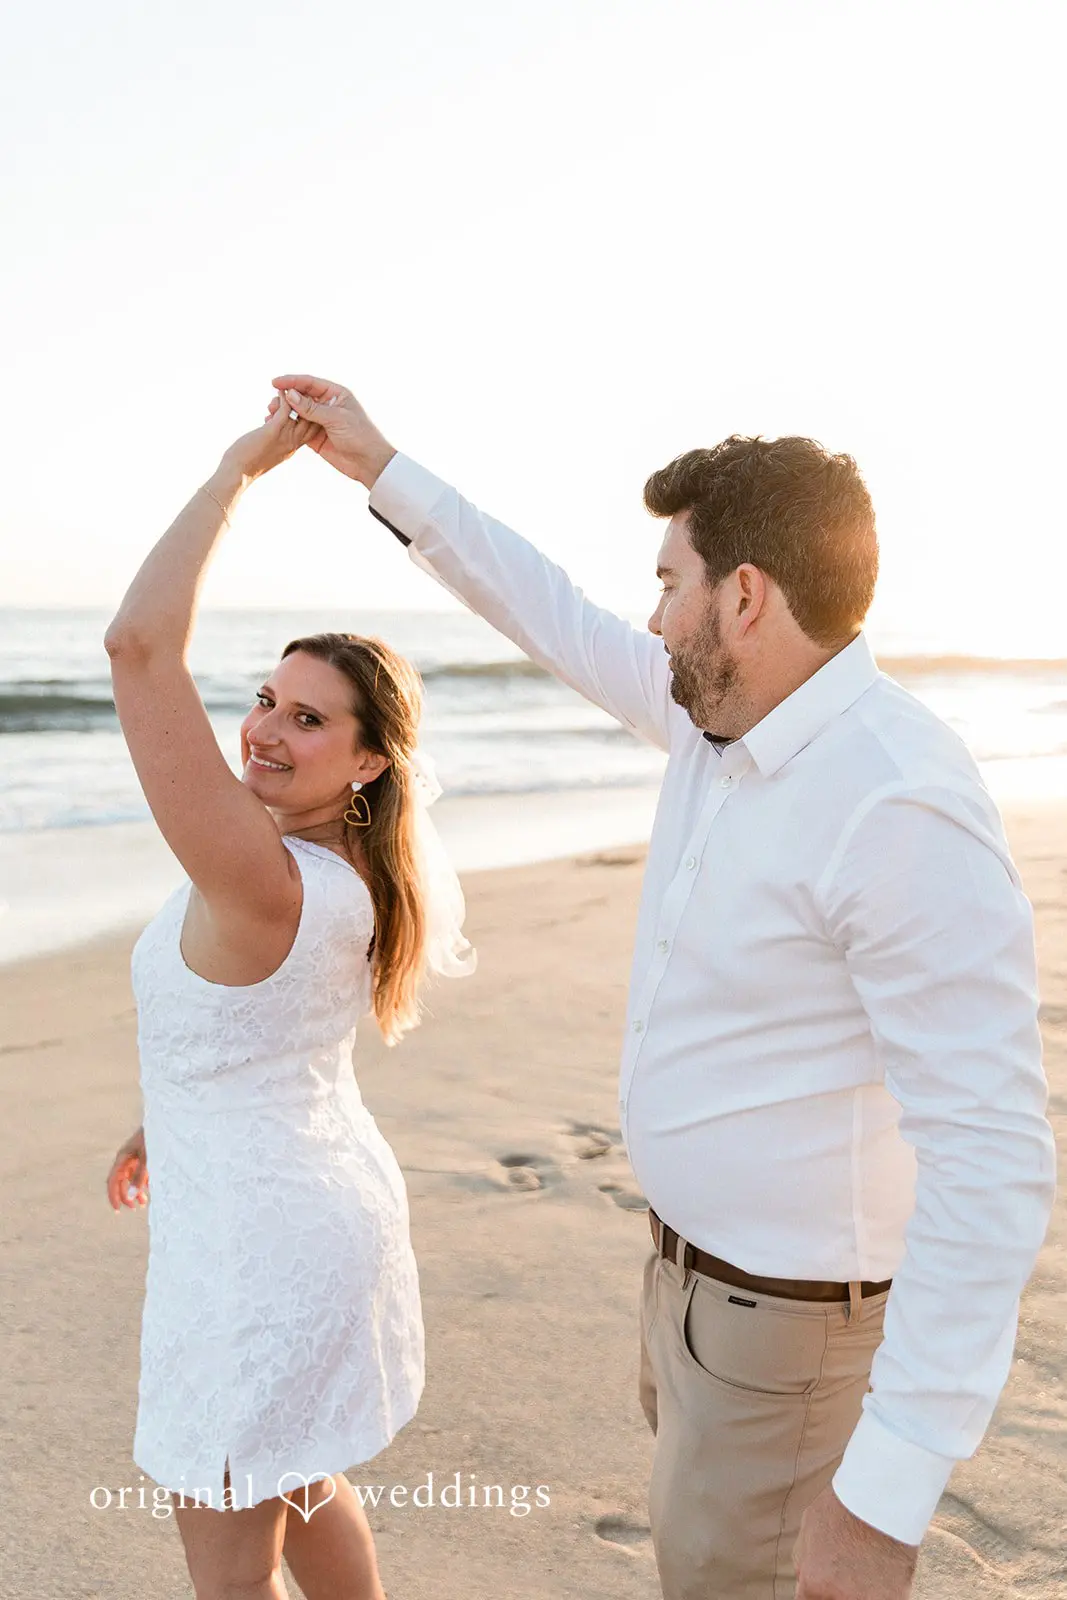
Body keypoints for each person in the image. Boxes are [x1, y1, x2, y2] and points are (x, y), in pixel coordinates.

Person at [267, 373, 1056, 1599]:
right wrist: (380, 466)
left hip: (791, 1340)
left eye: (668, 582)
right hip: (686, 1293)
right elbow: (544, 608)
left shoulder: (896, 800)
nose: (647, 616)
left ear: (742, 597)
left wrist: (887, 1493)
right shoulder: (713, 720)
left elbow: (993, 1161)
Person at [103, 400, 474, 1600]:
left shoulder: (260, 878)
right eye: (265, 697)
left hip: (256, 1259)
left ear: (367, 761)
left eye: (307, 719)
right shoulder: (343, 876)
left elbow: (136, 648)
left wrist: (230, 472)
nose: (263, 730)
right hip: (304, 1211)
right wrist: (175, 1108)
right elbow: (263, 1036)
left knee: (230, 1561)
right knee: (305, 1489)